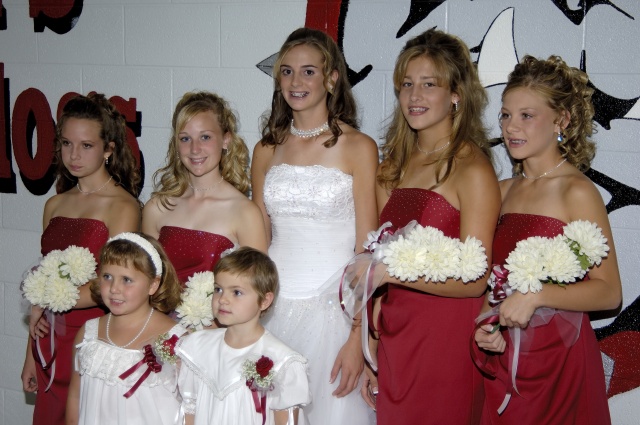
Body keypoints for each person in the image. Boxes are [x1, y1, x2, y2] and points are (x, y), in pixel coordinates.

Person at [474, 55, 621, 424]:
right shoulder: (501, 190)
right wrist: (487, 325)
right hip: (504, 361)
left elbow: (609, 292)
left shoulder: (577, 191)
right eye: (506, 115)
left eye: (527, 115)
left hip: (559, 365)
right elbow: (491, 280)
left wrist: (537, 294)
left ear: (561, 120)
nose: (511, 126)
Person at [365, 29, 501, 424]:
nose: (414, 96)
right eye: (407, 84)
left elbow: (476, 279)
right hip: (395, 333)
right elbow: (379, 252)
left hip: (446, 338)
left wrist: (390, 274)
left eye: (429, 84)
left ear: (456, 94)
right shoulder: (391, 167)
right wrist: (371, 338)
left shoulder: (473, 169)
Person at [251, 27, 378, 423]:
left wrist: (359, 339)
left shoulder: (359, 147)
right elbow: (258, 242)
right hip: (271, 309)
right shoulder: (265, 149)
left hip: (335, 314)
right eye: (287, 72)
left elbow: (368, 252)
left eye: (308, 71)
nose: (296, 82)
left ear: (332, 78)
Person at [20, 93, 141, 425]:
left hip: (93, 338)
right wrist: (30, 354)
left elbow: (113, 287)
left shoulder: (123, 207)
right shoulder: (54, 205)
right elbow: (43, 281)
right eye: (66, 143)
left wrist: (49, 298)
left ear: (108, 149)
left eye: (86, 145)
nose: (74, 155)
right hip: (49, 342)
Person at [143, 91, 267, 287]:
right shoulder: (156, 208)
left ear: (226, 139)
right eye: (185, 139)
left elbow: (255, 290)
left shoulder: (245, 213)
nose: (195, 149)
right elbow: (145, 283)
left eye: (205, 137)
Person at [176, 247, 311, 425]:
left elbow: (286, 421)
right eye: (218, 289)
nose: (222, 299)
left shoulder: (281, 360)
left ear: (265, 301)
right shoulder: (197, 347)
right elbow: (189, 411)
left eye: (236, 292)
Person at [66, 232, 186, 425]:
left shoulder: (175, 339)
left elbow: (192, 406)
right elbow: (75, 396)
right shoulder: (88, 333)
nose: (114, 288)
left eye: (126, 280)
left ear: (153, 285)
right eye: (107, 277)